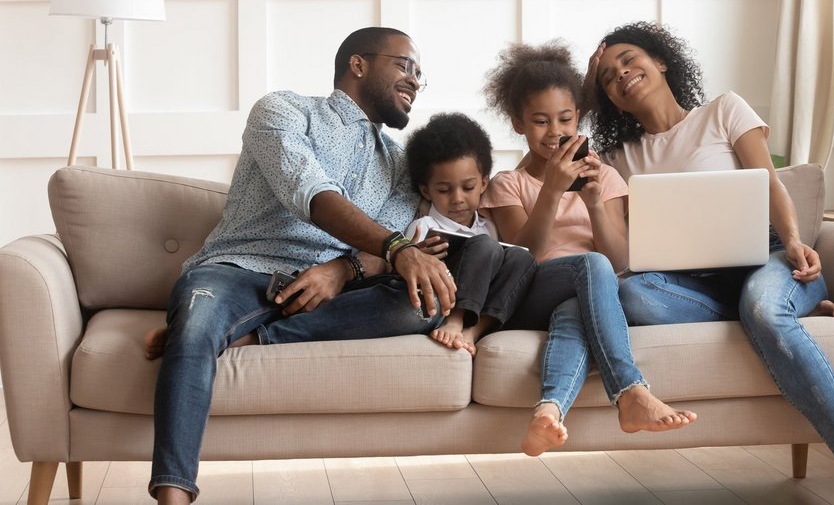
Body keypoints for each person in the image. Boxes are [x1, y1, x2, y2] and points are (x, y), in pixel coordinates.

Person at [145, 27, 457, 504]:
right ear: (358, 64)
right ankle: (173, 496)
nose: (416, 81)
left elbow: (382, 248)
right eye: (405, 66)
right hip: (237, 268)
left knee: (425, 305)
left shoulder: (402, 164)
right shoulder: (283, 110)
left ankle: (245, 335)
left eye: (421, 74)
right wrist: (397, 248)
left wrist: (342, 272)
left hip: (327, 292)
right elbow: (310, 193)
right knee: (199, 319)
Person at [584, 21, 834, 505]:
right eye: (608, 78)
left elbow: (770, 183)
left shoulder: (723, 110)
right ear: (610, 101)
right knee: (630, 291)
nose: (621, 74)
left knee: (765, 307)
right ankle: (786, 311)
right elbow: (618, 255)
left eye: (629, 60)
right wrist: (586, 84)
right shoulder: (621, 158)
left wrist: (792, 241)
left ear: (661, 61)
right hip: (692, 285)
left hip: (765, 258)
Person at [478, 40, 696, 457]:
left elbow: (623, 263)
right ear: (518, 124)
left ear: (578, 117)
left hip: (586, 294)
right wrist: (553, 193)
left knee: (577, 306)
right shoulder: (508, 184)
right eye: (540, 121)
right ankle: (630, 391)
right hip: (528, 294)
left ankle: (548, 412)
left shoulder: (607, 177)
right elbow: (520, 260)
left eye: (564, 118)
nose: (555, 131)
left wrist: (595, 202)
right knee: (590, 266)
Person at [402, 112, 536, 355]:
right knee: (484, 245)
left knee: (521, 257)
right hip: (444, 301)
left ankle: (472, 332)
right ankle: (455, 320)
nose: (457, 199)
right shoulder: (422, 226)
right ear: (426, 190)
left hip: (484, 303)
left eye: (468, 187)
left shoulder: (490, 225)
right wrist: (417, 255)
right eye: (444, 190)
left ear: (484, 183)